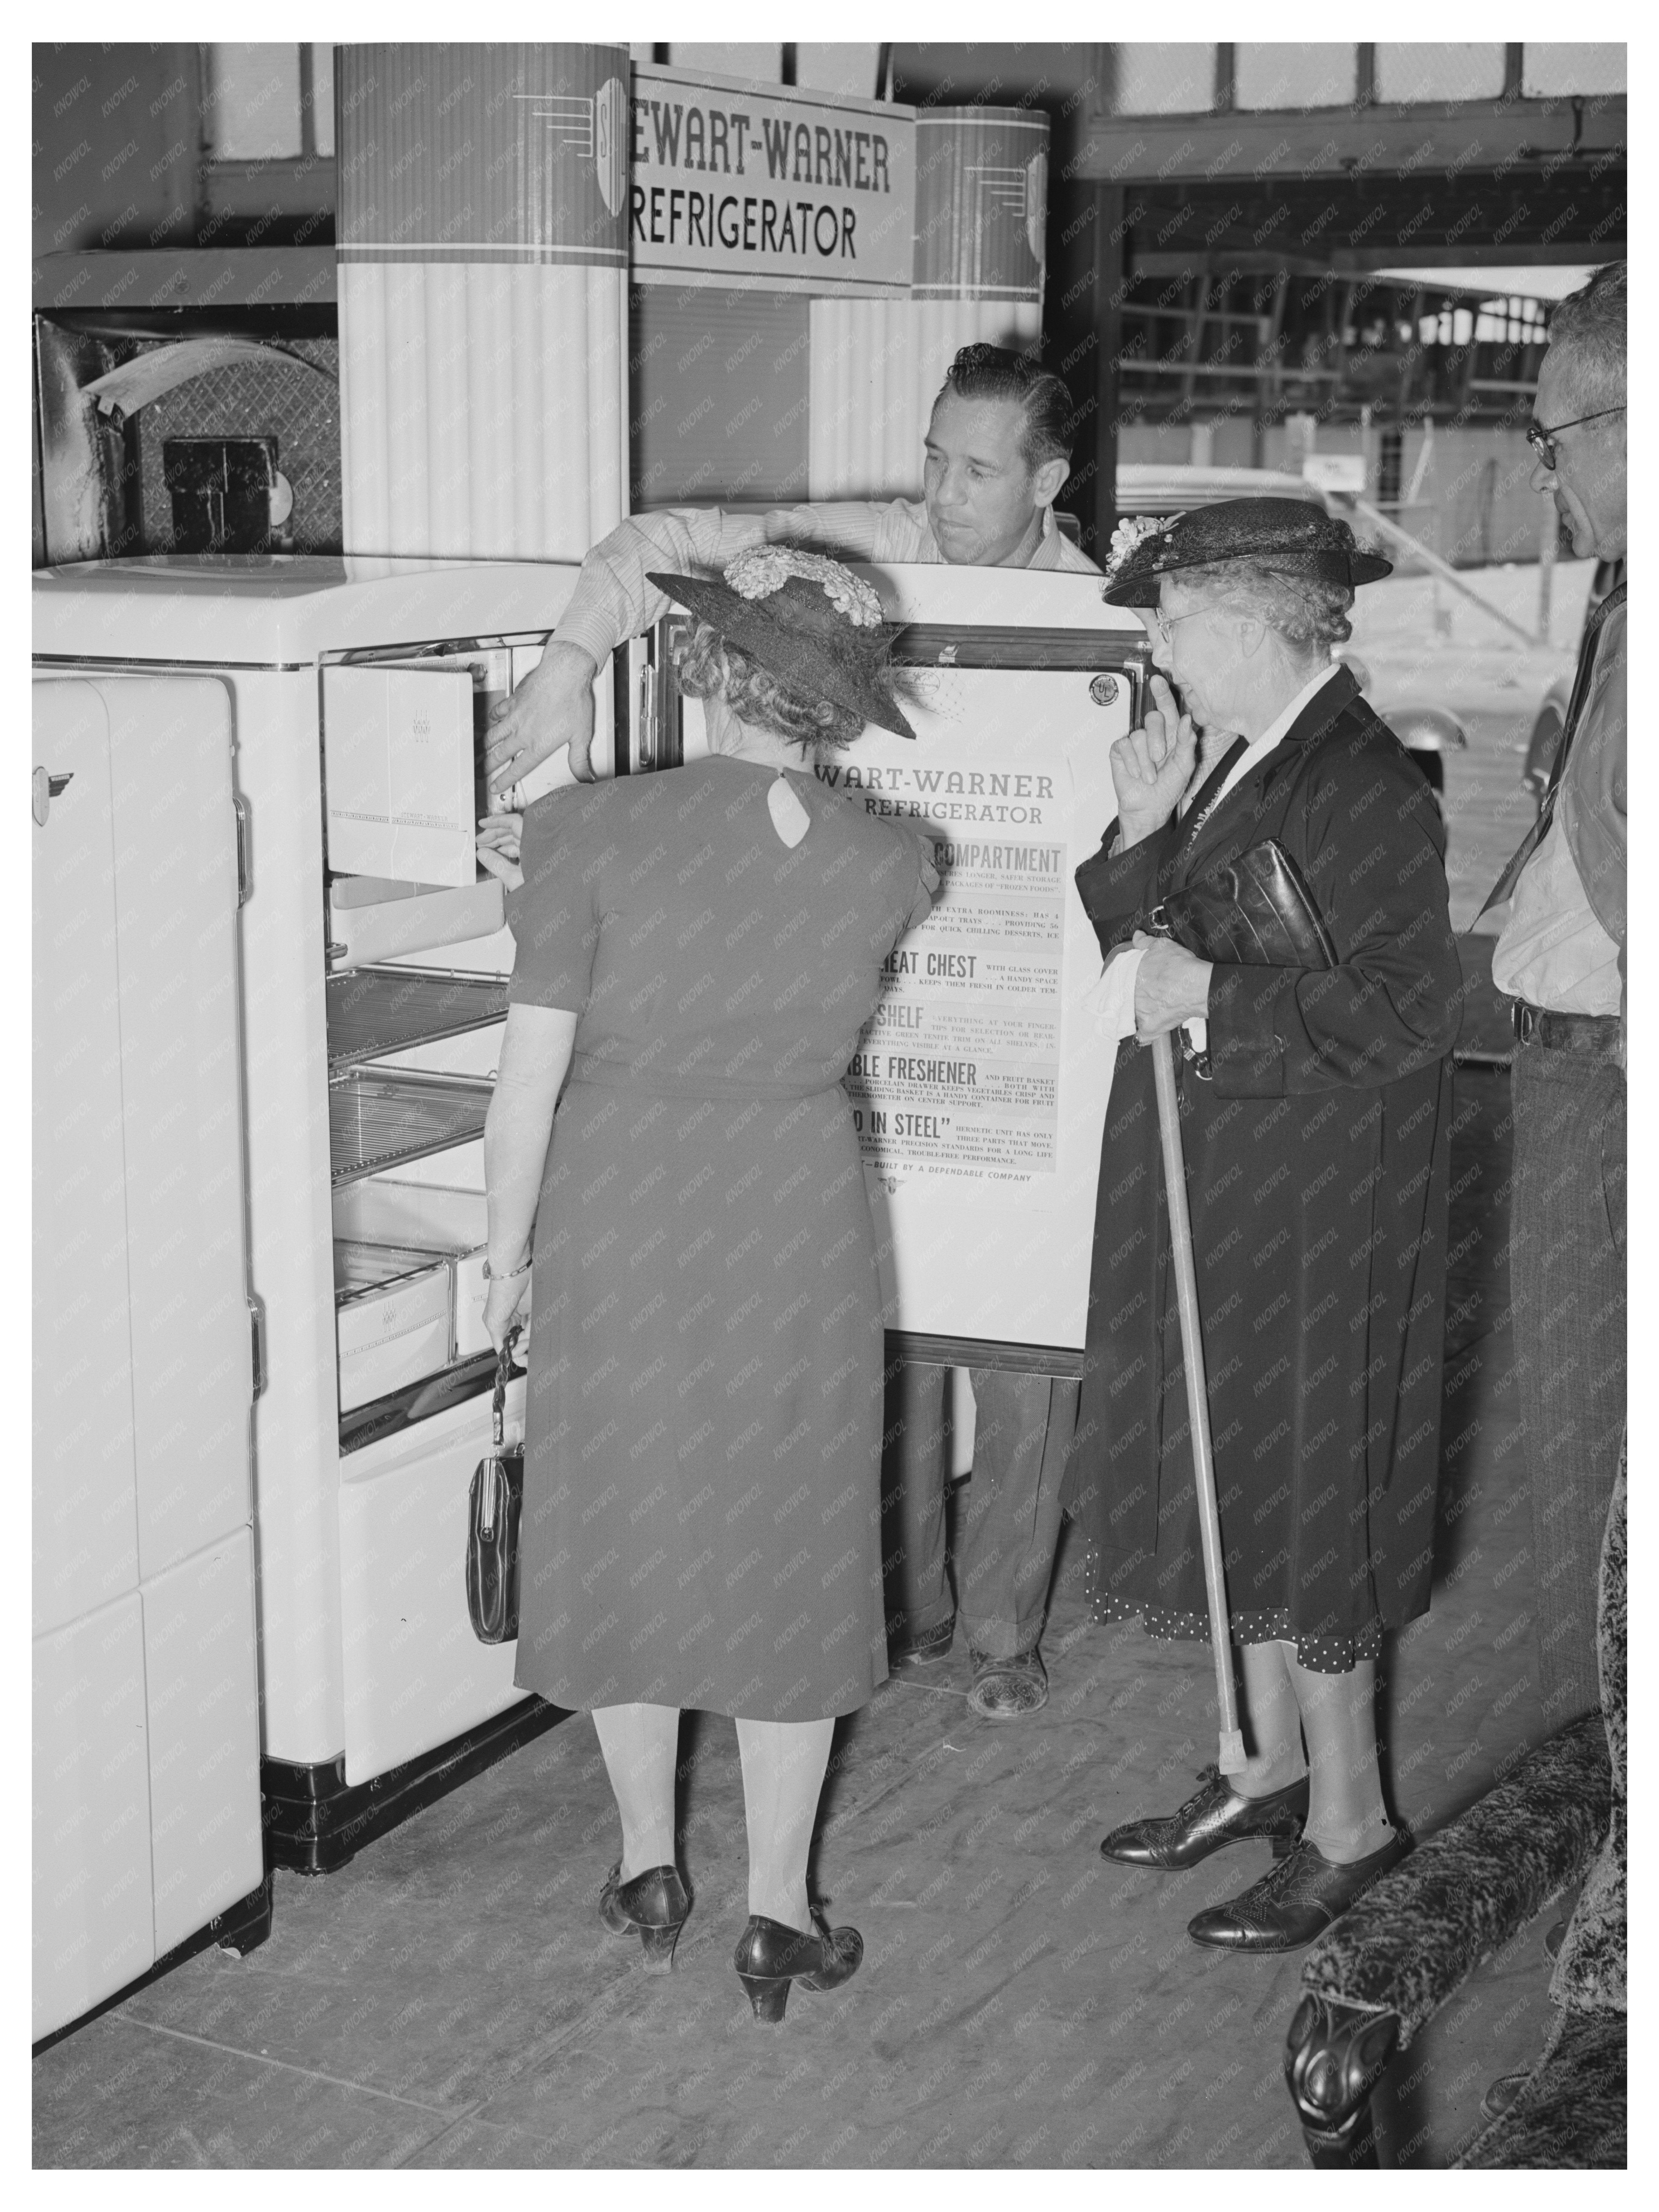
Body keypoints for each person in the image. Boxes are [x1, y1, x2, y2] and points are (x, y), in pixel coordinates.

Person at [484, 343, 1098, 1723]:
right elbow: (655, 546)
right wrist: (570, 663)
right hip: (835, 988)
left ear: (1047, 481)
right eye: (933, 457)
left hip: (1011, 993)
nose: (941, 493)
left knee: (1025, 1335)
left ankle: (1004, 1629)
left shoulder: (1101, 611)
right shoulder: (856, 552)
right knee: (887, 1340)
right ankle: (909, 1608)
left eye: (977, 471)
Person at [478, 546, 937, 2023]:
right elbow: (750, 932)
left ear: (702, 665)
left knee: (628, 1513)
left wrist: (503, 1259)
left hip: (620, 1209)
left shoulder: (584, 833)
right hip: (792, 1215)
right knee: (787, 1530)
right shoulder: (896, 862)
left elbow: (528, 1084)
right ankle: (778, 1914)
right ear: (841, 706)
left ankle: (645, 1868)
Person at [1071, 497, 1462, 1951]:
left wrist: (1213, 998)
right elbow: (1145, 956)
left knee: (1307, 1496)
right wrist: (1139, 832)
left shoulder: (1362, 783)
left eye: (1171, 625)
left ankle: (1351, 1825)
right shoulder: (1248, 756)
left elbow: (1412, 1011)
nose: (1160, 652)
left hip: (1314, 1205)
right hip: (1228, 1177)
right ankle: (1262, 1766)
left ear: (1246, 626)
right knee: (1236, 1472)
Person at [1486, 260, 1626, 1735]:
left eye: (1553, 438)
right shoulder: (1619, 603)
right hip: (1580, 1068)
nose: (1543, 473)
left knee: (1588, 1466)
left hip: (1604, 1083)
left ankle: (1613, 1790)